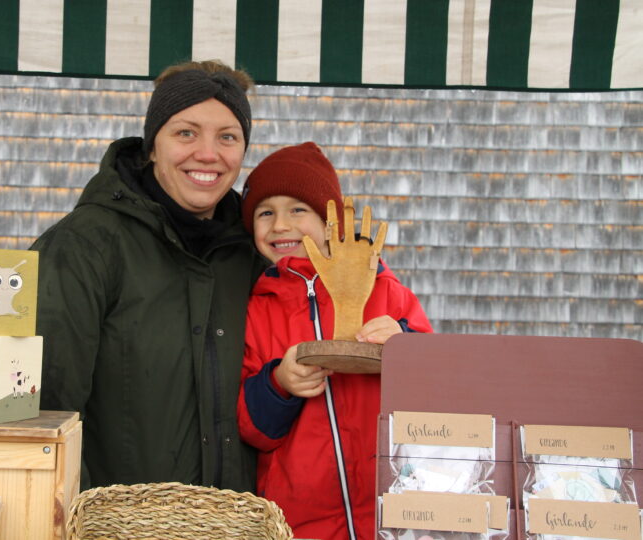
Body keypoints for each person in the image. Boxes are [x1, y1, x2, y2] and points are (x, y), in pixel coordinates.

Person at [31, 60, 267, 492]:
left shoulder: (253, 253)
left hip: (235, 519)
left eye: (228, 137)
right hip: (117, 520)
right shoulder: (84, 246)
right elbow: (45, 413)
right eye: (186, 133)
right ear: (152, 146)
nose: (208, 154)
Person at [237, 142, 433, 540]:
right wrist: (280, 384)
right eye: (265, 212)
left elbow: (437, 384)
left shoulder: (386, 291)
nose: (280, 225)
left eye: (298, 210)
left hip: (392, 511)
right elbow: (250, 427)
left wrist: (405, 344)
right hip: (298, 521)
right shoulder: (257, 309)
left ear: (332, 223)